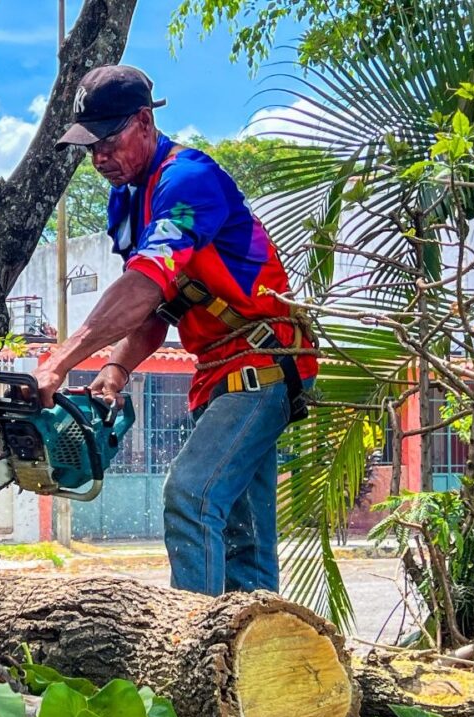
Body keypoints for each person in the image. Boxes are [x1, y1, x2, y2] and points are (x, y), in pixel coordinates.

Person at [34, 64, 318, 595]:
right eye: (91, 148)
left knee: (191, 496)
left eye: (109, 141)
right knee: (243, 537)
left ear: (144, 122)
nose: (100, 158)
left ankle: (189, 637)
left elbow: (143, 286)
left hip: (264, 361)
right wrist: (116, 369)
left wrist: (58, 362)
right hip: (218, 370)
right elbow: (157, 308)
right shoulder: (126, 202)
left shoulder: (188, 179)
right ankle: (258, 635)